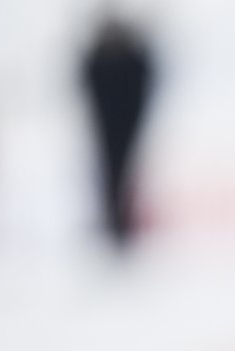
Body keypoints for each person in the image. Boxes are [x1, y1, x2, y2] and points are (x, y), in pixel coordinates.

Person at [78, 11, 157, 250]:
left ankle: (118, 222)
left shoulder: (128, 59)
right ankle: (114, 222)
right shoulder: (105, 60)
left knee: (120, 169)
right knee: (111, 170)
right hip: (110, 122)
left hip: (123, 121)